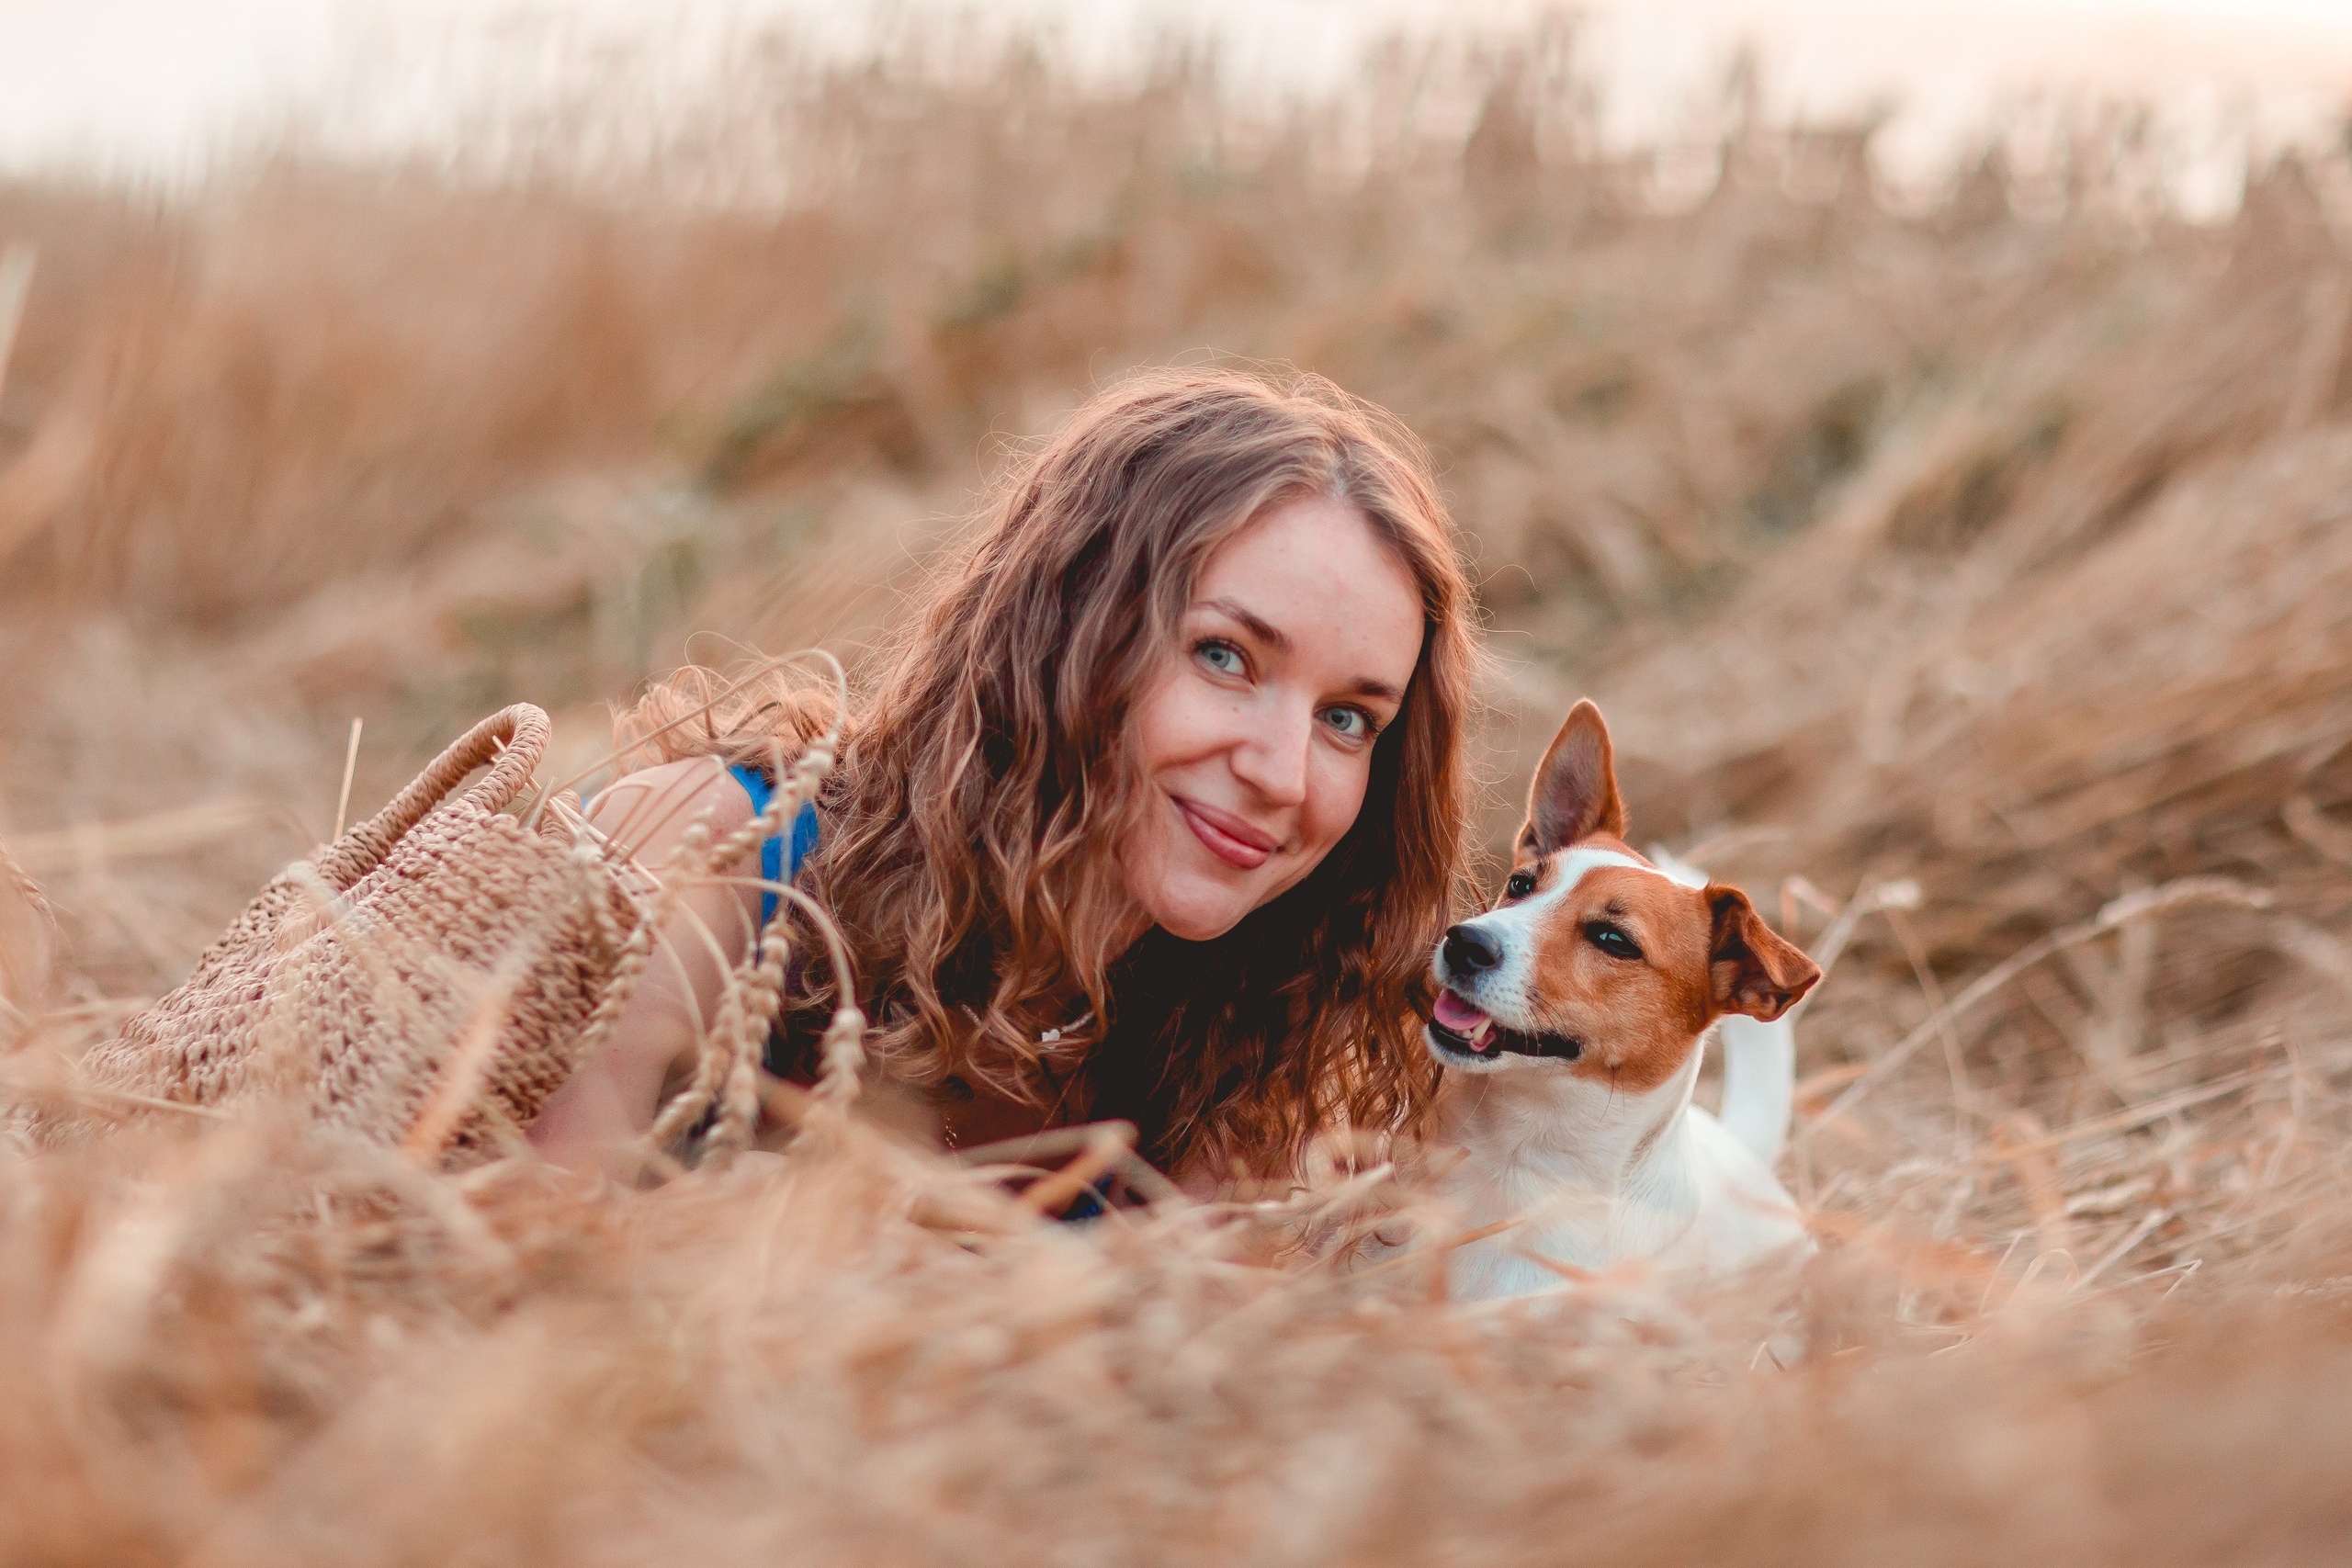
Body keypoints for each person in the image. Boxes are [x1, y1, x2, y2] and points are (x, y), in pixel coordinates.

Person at [528, 367, 1478, 1193]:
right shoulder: (721, 855)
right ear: (1066, 632)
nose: (1282, 774)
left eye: (1347, 720)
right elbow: (504, 1259)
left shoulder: (1240, 1047)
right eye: (1224, 656)